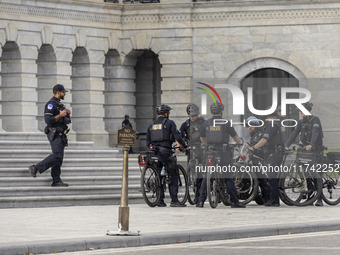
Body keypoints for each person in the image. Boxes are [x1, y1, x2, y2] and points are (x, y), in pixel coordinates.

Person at [200, 102, 245, 208]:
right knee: (228, 177)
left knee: (207, 176)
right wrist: (240, 143)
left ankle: (200, 201)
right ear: (221, 111)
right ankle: (234, 202)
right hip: (223, 152)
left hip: (210, 152)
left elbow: (202, 137)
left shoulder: (206, 123)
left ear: (212, 111)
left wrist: (205, 145)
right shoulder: (226, 122)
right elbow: (234, 136)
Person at [28, 84, 71, 187]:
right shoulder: (50, 104)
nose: (64, 94)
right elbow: (48, 120)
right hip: (54, 133)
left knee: (59, 158)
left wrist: (67, 114)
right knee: (57, 156)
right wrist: (60, 115)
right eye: (63, 92)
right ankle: (36, 168)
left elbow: (67, 121)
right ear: (58, 92)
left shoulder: (60, 105)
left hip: (61, 134)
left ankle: (56, 180)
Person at [146, 104, 187, 207]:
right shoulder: (170, 123)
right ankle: (174, 200)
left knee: (158, 174)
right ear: (165, 113)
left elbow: (147, 142)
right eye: (168, 112)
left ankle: (160, 200)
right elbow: (177, 136)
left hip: (153, 153)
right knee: (173, 174)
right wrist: (184, 145)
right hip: (165, 152)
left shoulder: (151, 125)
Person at [285, 102, 324, 206]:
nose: (300, 112)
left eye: (301, 110)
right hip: (306, 151)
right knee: (306, 173)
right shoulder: (301, 122)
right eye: (299, 110)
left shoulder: (315, 120)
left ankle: (319, 198)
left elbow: (315, 133)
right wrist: (287, 145)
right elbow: (294, 134)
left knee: (315, 174)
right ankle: (311, 196)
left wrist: (311, 144)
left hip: (316, 150)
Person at [249, 109, 284, 206]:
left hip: (273, 154)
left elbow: (264, 140)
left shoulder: (272, 125)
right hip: (276, 153)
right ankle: (273, 199)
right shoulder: (278, 123)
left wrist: (254, 147)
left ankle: (275, 201)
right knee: (271, 176)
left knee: (271, 177)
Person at [179, 104, 206, 207]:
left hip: (202, 150)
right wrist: (180, 145)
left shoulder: (203, 122)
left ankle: (202, 193)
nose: (193, 118)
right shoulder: (185, 124)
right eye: (191, 116)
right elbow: (180, 136)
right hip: (191, 150)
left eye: (194, 115)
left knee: (202, 173)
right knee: (193, 175)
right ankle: (196, 195)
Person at [245, 116, 271, 204]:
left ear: (256, 125)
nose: (249, 127)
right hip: (248, 158)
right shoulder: (246, 135)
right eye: (248, 125)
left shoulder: (259, 134)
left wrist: (252, 148)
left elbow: (257, 145)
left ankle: (268, 197)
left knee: (261, 176)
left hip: (258, 158)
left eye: (252, 125)